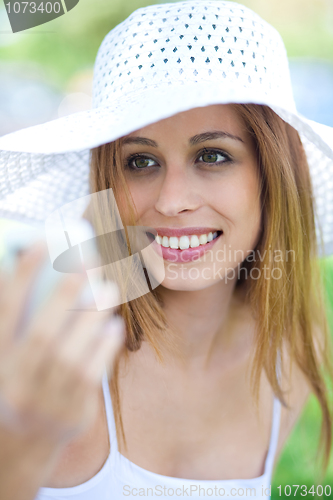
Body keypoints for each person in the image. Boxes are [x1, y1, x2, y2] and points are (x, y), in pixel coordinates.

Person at [0, 1, 333, 499]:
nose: (172, 201)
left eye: (212, 155)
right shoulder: (49, 338)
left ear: (273, 177)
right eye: (139, 161)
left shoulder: (287, 355)